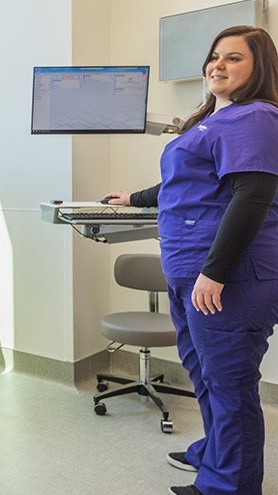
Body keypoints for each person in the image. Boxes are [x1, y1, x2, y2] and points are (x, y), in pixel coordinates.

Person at [113, 25, 278, 495]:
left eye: (234, 58)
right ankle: (214, 454)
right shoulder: (210, 121)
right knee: (204, 372)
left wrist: (215, 272)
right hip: (193, 269)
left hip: (231, 276)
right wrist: (133, 198)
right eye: (214, 57)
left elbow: (253, 195)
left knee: (229, 384)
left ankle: (230, 486)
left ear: (259, 67)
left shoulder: (256, 117)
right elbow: (184, 184)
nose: (218, 66)